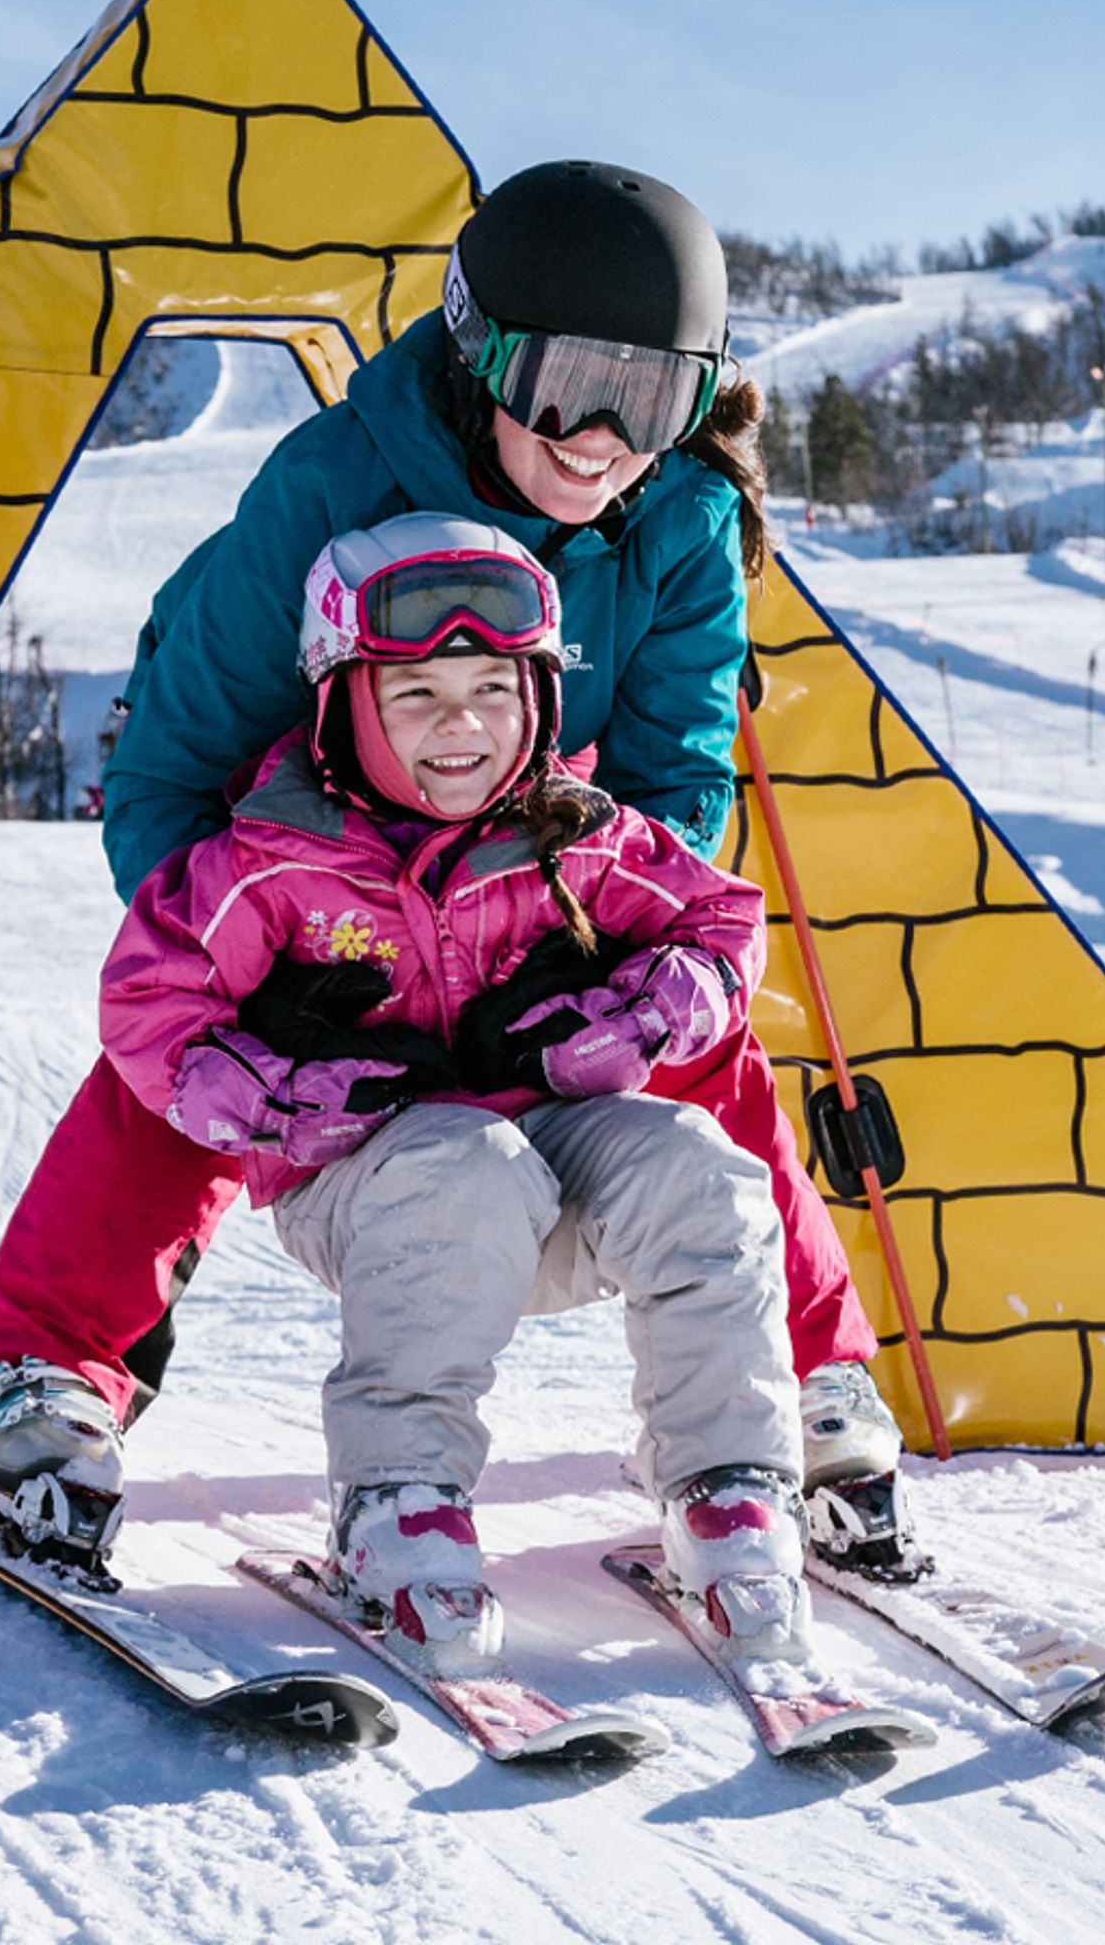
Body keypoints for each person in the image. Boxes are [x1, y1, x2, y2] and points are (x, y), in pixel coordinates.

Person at [0, 162, 917, 1583]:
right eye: (564, 387)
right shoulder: (332, 482)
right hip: (306, 862)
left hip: (526, 861)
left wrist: (620, 955)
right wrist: (242, 965)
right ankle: (44, 1379)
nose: (599, 441)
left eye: (650, 399)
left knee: (712, 1060)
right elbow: (168, 769)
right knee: (176, 1076)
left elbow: (679, 776)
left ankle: (805, 1382)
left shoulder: (684, 519)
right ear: (478, 353)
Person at [94, 517, 813, 1661]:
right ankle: (398, 1503)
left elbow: (719, 922)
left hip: (558, 1174)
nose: (462, 725)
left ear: (539, 698)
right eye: (416, 694)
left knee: (699, 1167)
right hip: (372, 1193)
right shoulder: (270, 863)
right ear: (342, 703)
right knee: (458, 1164)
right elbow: (152, 1004)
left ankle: (727, 1484)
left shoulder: (574, 837)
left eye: (492, 687)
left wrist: (630, 1015)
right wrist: (284, 1097)